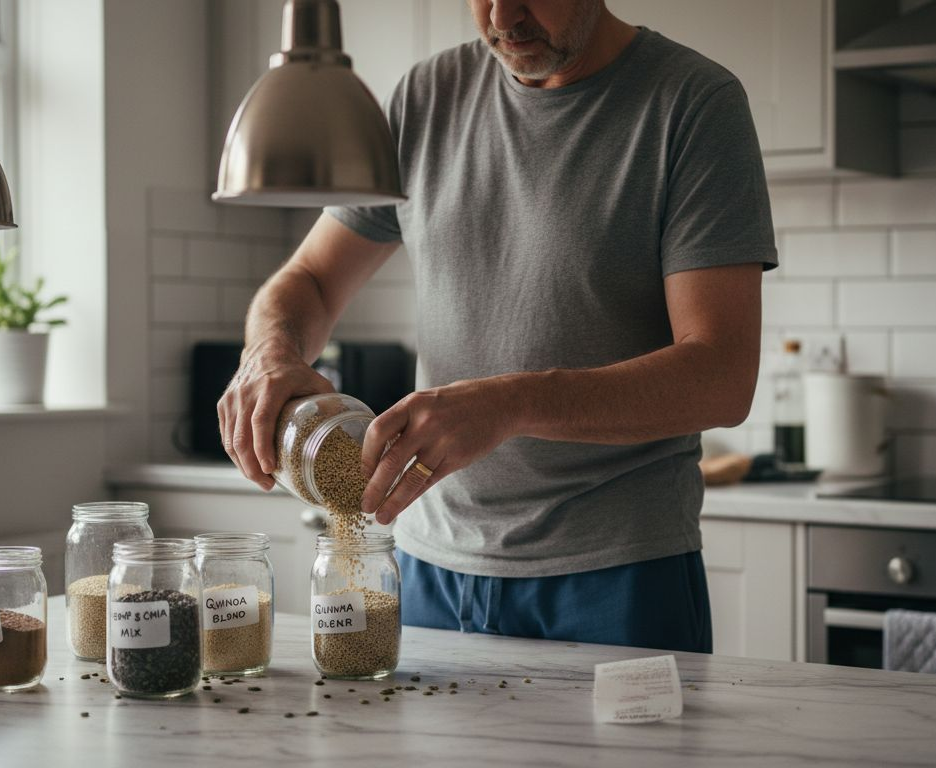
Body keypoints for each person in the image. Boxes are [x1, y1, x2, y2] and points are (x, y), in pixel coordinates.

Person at [219, 0, 778, 653]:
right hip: (428, 567)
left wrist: (512, 403)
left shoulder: (693, 103)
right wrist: (270, 349)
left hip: (617, 575)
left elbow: (720, 375)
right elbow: (310, 279)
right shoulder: (425, 98)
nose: (503, 16)